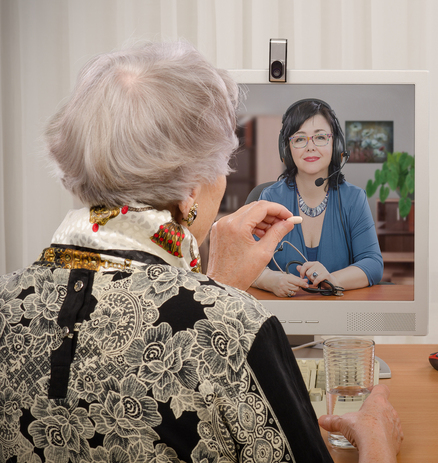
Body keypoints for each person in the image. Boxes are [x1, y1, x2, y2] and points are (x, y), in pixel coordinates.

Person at [0, 41, 402, 462]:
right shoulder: (236, 328)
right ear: (193, 187)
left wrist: (214, 288)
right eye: (222, 163)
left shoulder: (8, 303)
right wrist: (376, 437)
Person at [252, 99, 384, 298]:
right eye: (299, 139)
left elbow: (373, 264)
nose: (310, 147)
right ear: (287, 149)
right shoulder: (270, 198)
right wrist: (271, 281)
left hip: (336, 319)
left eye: (320, 137)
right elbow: (247, 263)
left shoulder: (354, 198)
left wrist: (332, 279)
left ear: (336, 144)